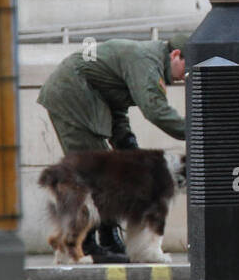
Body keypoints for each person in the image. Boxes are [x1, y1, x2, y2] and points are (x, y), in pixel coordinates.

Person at [37, 35, 188, 261]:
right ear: (175, 55)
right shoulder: (147, 61)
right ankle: (83, 246)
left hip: (84, 96)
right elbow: (155, 110)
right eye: (187, 69)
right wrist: (195, 130)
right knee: (95, 174)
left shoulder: (147, 60)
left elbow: (116, 103)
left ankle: (108, 239)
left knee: (109, 174)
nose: (185, 78)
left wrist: (125, 140)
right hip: (73, 96)